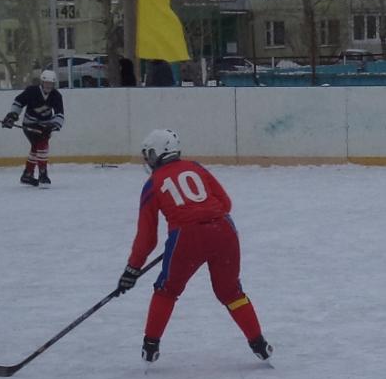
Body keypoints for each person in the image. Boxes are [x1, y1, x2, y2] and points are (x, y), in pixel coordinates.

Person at [116, 129, 272, 364]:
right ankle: (259, 343)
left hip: (186, 238)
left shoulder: (152, 184)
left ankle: (150, 346)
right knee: (231, 292)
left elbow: (147, 238)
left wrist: (132, 269)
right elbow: (226, 203)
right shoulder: (196, 167)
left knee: (167, 290)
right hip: (224, 231)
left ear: (159, 152)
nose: (147, 159)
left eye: (149, 153)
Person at [1, 69, 65, 187]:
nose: (48, 86)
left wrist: (53, 125)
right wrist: (12, 116)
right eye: (46, 83)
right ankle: (43, 175)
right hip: (29, 124)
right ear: (42, 82)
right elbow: (18, 102)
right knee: (42, 144)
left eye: (51, 84)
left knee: (36, 148)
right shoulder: (31, 91)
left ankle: (27, 174)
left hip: (46, 125)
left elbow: (59, 114)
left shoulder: (56, 95)